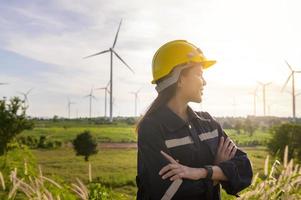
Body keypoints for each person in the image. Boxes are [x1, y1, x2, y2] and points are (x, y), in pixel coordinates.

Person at [135, 40, 253, 200]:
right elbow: (169, 191)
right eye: (199, 74)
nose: (204, 82)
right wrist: (219, 171)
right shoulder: (152, 128)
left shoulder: (208, 123)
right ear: (180, 79)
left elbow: (244, 168)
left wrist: (201, 172)